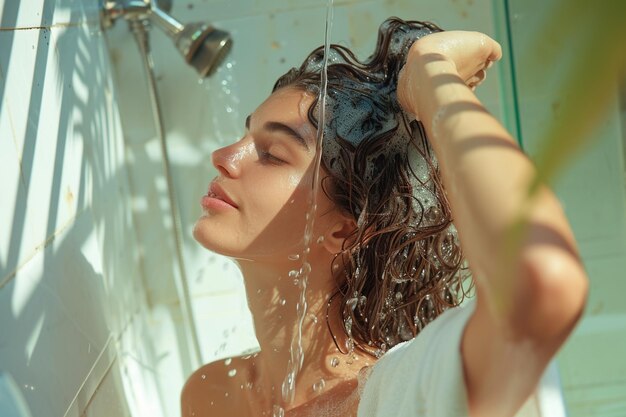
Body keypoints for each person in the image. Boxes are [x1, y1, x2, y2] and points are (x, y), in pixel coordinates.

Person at [182, 17, 588, 417]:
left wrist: (431, 76)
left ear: (345, 229)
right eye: (244, 137)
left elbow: (539, 280)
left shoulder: (392, 396)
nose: (223, 157)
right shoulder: (211, 392)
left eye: (272, 154)